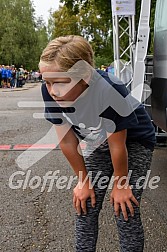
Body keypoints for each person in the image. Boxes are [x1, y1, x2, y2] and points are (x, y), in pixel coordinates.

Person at [39, 35, 156, 252]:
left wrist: (121, 184)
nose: (52, 90)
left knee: (124, 207)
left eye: (60, 83)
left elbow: (117, 145)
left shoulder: (108, 89)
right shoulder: (49, 91)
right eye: (47, 82)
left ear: (84, 76)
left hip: (134, 140)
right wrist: (83, 181)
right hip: (101, 142)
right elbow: (66, 140)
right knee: (85, 204)